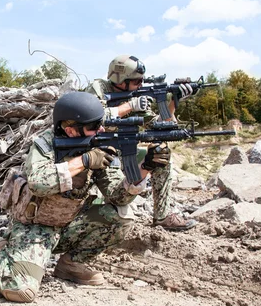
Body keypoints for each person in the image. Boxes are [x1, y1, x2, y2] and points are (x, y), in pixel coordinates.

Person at [0, 91, 168, 303]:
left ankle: (71, 265)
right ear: (70, 130)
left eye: (101, 124)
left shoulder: (98, 145)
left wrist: (144, 168)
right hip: (35, 227)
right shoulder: (46, 145)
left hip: (70, 223)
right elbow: (38, 183)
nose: (100, 130)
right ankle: (0, 253)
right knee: (20, 292)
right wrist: (84, 161)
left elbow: (117, 196)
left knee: (121, 215)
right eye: (94, 127)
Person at [85, 54, 198, 231]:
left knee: (161, 155)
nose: (141, 84)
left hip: (123, 150)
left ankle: (162, 216)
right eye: (137, 81)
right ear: (121, 80)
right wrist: (131, 106)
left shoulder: (136, 95)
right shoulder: (97, 89)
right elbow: (93, 118)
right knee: (112, 200)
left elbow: (162, 127)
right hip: (95, 155)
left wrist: (173, 101)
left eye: (142, 81)